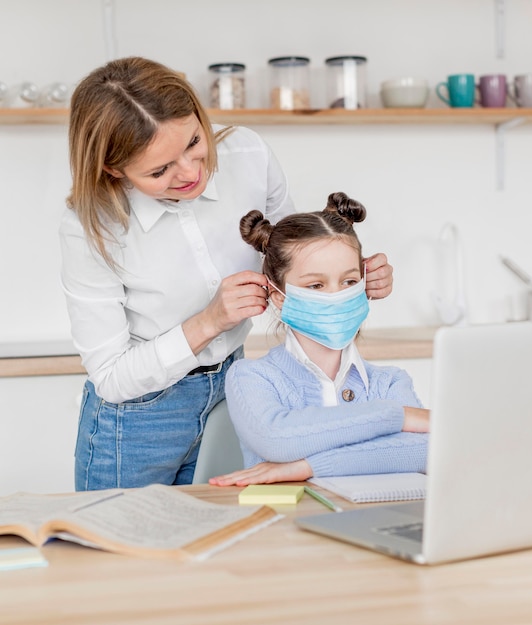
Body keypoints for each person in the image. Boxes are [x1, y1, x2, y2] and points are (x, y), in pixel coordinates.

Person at [59, 57, 393, 491]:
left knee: (223, 541)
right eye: (160, 170)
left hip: (235, 387)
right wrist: (208, 322)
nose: (191, 172)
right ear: (113, 169)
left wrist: (354, 282)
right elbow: (111, 377)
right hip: (138, 419)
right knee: (124, 552)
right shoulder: (90, 225)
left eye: (194, 142)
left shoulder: (248, 154)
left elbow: (295, 259)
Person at [209, 192, 429, 487]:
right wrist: (395, 417)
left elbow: (425, 452)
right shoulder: (252, 377)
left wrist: (307, 467)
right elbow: (277, 439)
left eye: (349, 281)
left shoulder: (390, 382)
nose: (336, 295)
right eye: (316, 284)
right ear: (279, 296)